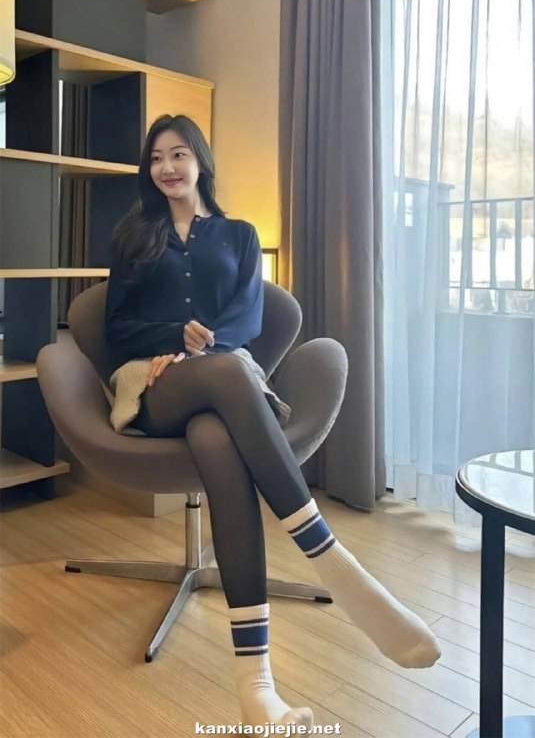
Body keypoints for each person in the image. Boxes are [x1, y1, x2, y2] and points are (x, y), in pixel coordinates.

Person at [105, 114, 441, 733]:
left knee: (217, 429)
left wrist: (202, 349)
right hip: (152, 383)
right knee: (223, 372)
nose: (167, 167)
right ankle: (331, 559)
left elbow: (248, 318)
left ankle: (256, 685)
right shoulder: (133, 236)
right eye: (155, 158)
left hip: (222, 378)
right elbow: (115, 327)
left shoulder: (239, 235)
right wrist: (172, 340)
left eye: (178, 154)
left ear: (200, 161)